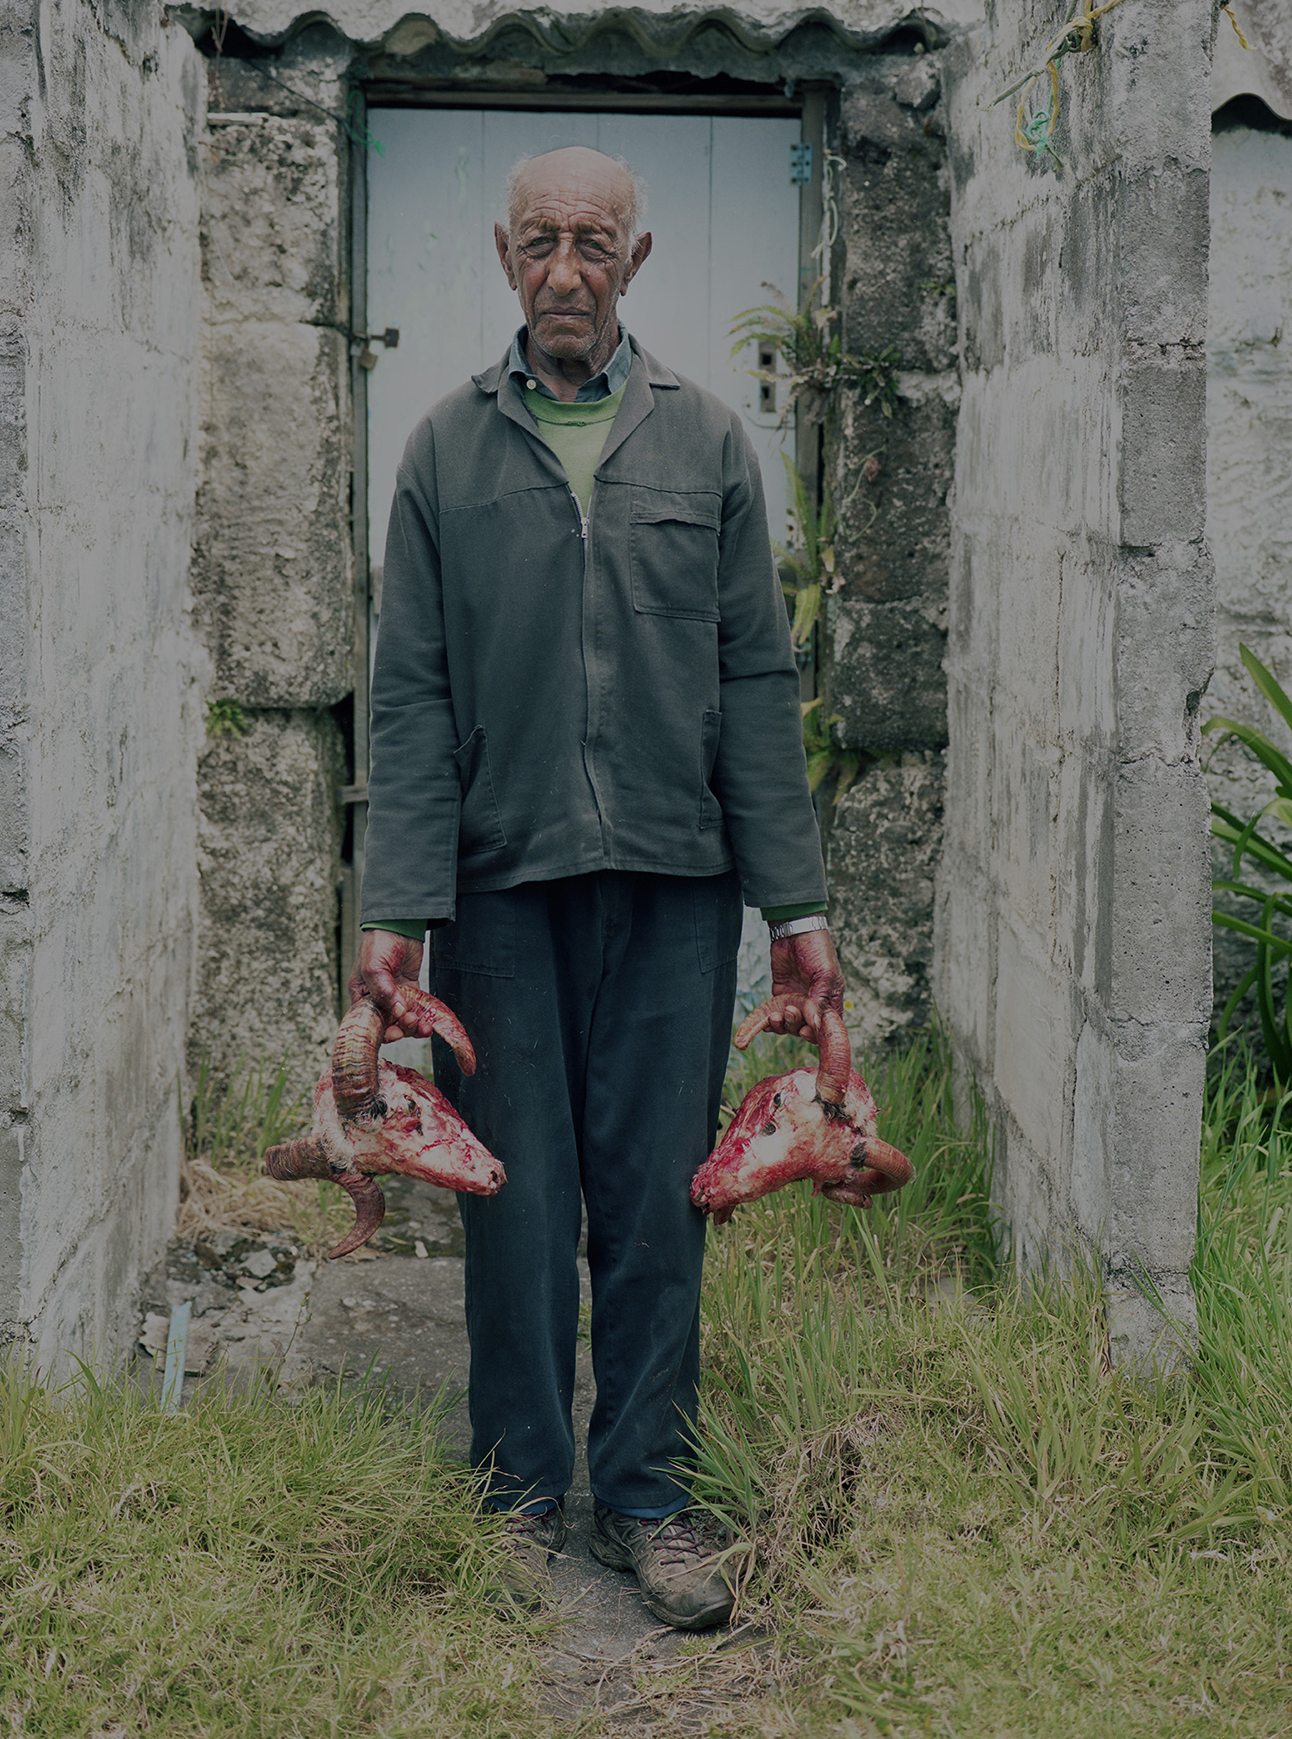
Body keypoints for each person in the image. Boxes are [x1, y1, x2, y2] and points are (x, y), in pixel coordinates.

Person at [350, 146, 847, 1631]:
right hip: (499, 894)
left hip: (675, 887)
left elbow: (756, 684)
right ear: (506, 256)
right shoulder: (443, 450)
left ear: (635, 265)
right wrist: (397, 912)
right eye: (541, 242)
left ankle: (646, 1497)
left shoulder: (704, 447)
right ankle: (513, 1493)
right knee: (514, 1199)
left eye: (596, 244)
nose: (566, 270)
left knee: (652, 1197)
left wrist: (797, 910)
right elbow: (411, 699)